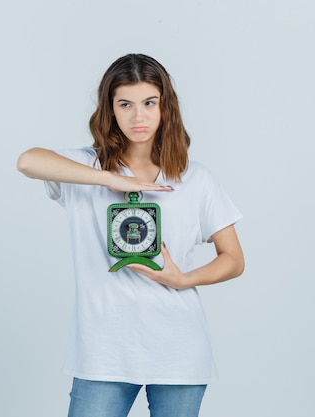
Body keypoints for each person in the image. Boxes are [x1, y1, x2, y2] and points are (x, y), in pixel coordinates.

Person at [16, 53, 244, 417]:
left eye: (149, 103)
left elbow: (233, 259)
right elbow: (27, 160)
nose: (138, 117)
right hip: (102, 353)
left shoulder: (195, 178)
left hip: (179, 351)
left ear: (165, 107)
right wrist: (111, 178)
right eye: (125, 104)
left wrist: (183, 279)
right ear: (110, 110)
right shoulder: (84, 171)